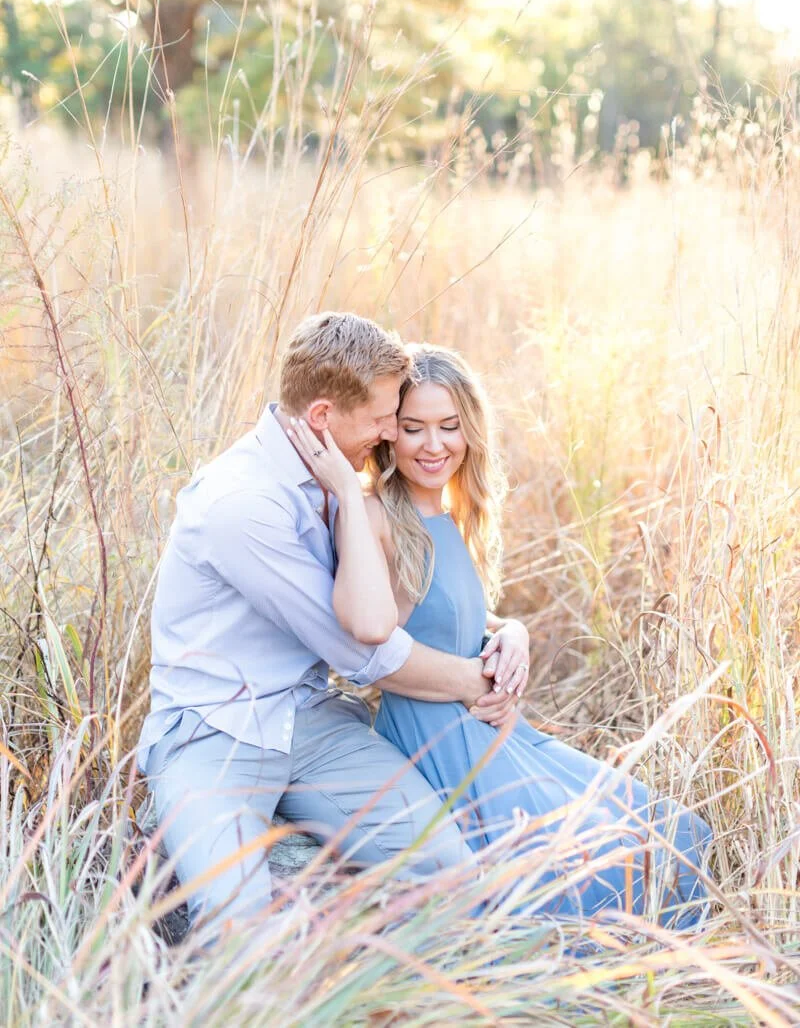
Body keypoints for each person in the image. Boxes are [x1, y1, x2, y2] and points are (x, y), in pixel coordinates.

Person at [287, 343, 713, 927]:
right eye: (413, 428)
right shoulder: (375, 517)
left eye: (448, 427)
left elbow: (448, 610)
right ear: (389, 435)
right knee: (593, 867)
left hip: (492, 728)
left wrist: (510, 627)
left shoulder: (451, 511)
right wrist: (346, 496)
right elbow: (373, 644)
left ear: (471, 431)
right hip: (438, 740)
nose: (433, 446)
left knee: (668, 831)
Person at [138, 313, 523, 931]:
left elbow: (417, 595)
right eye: (382, 419)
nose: (391, 432)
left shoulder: (335, 477)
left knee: (448, 872)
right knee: (237, 922)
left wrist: (507, 632)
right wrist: (480, 683)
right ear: (322, 416)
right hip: (218, 733)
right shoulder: (243, 506)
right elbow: (356, 648)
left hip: (310, 723)